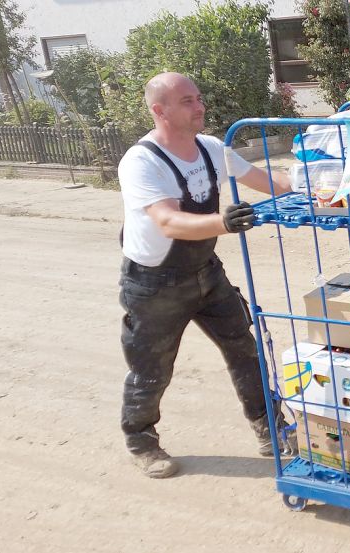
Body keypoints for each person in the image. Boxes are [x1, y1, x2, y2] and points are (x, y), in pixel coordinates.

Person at [117, 72, 294, 478]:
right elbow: (168, 221)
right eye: (187, 101)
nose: (199, 107)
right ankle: (141, 441)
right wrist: (224, 222)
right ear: (159, 110)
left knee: (244, 348)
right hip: (153, 284)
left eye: (198, 98)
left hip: (205, 273)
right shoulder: (141, 161)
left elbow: (273, 183)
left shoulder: (212, 148)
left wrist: (330, 184)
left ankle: (270, 429)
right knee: (152, 369)